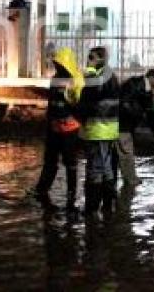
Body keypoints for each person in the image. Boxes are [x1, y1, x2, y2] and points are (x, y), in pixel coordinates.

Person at [32, 47, 85, 211]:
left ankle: (71, 195)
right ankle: (42, 190)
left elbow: (80, 104)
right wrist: (49, 123)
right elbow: (51, 104)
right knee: (50, 161)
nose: (57, 66)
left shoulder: (76, 80)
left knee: (70, 163)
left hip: (70, 129)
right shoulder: (55, 79)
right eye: (56, 64)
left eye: (59, 64)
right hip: (54, 128)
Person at [78, 46, 121, 216]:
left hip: (98, 130)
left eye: (91, 57)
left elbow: (88, 96)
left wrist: (88, 71)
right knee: (106, 167)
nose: (88, 60)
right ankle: (109, 205)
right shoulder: (110, 75)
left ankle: (92, 209)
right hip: (109, 130)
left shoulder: (99, 76)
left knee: (95, 169)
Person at [115, 68, 154, 186]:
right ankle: (130, 180)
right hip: (122, 124)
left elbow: (150, 112)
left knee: (123, 152)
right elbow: (124, 104)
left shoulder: (145, 90)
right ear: (152, 78)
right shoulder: (133, 84)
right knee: (127, 152)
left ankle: (119, 179)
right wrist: (138, 114)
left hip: (125, 124)